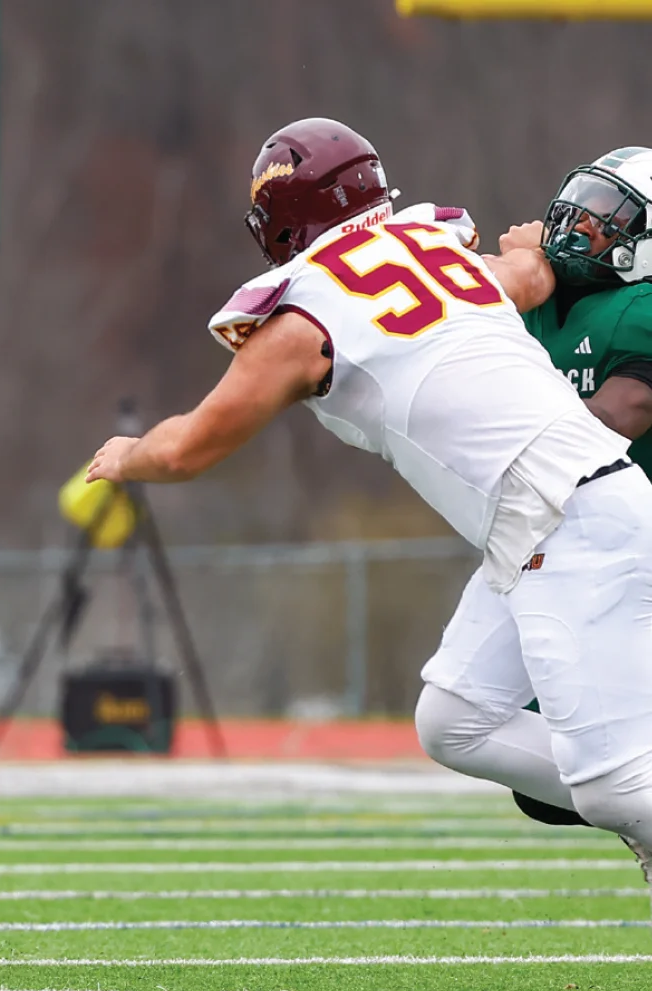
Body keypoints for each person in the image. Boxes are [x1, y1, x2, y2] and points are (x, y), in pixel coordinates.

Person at [85, 117, 652, 914]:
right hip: (552, 517)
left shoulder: (306, 313)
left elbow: (188, 449)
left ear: (280, 221)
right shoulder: (442, 249)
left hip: (568, 518)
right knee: (454, 719)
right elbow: (528, 275)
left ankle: (634, 793)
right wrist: (524, 251)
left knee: (607, 789)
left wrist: (127, 453)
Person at [487, 148, 652, 836]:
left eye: (609, 216)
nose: (581, 224)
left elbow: (620, 413)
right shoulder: (542, 305)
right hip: (565, 554)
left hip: (631, 551)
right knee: (545, 781)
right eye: (581, 204)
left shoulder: (637, 308)